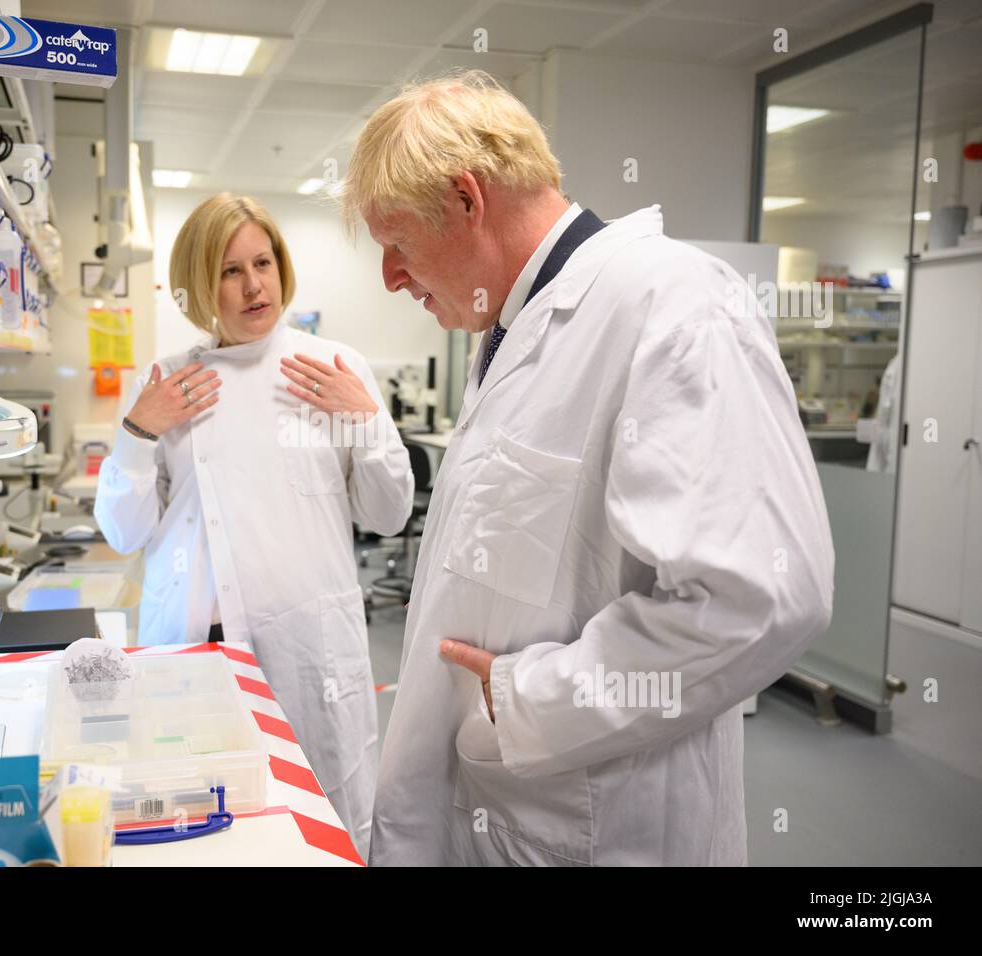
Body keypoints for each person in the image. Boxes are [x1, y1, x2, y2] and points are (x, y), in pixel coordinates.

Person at [340, 71, 835, 865]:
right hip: (505, 804)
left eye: (396, 243)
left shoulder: (673, 307)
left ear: (468, 200)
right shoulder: (513, 332)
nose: (391, 276)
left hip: (595, 820)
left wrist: (529, 702)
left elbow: (764, 599)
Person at [94, 193, 413, 857]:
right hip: (198, 653)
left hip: (310, 654)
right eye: (229, 271)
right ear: (199, 284)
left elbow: (388, 513)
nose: (253, 285)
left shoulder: (334, 368)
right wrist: (135, 434)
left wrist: (369, 421)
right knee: (207, 834)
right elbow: (123, 533)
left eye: (262, 262)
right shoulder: (168, 382)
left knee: (323, 828)